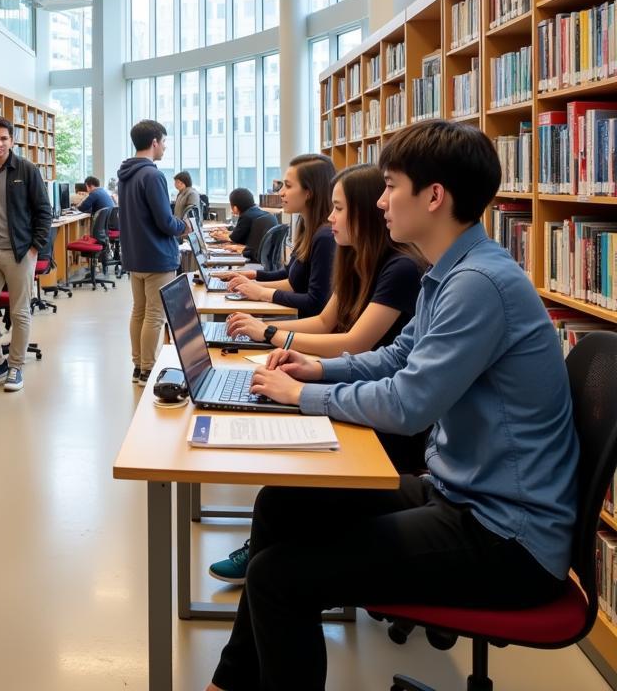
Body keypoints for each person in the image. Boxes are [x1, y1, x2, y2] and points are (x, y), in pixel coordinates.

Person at [205, 120, 578, 691]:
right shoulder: (449, 273)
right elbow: (395, 357)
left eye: (390, 186)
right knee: (283, 504)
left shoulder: (478, 282)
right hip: (461, 495)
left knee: (281, 578)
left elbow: (407, 405)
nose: (379, 201)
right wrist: (318, 368)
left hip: (506, 537)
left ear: (434, 196)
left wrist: (304, 395)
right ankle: (230, 683)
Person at [210, 163, 425, 584]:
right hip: (358, 385)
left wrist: (272, 335)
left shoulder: (400, 268)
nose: (330, 218)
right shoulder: (356, 258)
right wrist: (270, 335)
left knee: (288, 455)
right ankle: (269, 556)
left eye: (340, 209)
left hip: (380, 411)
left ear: (362, 214)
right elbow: (327, 323)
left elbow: (358, 343)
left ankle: (271, 558)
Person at [0, 116, 52, 394]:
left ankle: (16, 366)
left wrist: (34, 246)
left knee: (19, 312)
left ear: (12, 141)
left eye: (4, 138)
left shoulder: (27, 170)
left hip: (20, 253)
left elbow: (44, 210)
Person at [217, 154, 336, 317]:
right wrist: (252, 276)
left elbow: (316, 303)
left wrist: (260, 292)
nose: (281, 193)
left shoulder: (325, 237)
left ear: (309, 192)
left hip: (306, 330)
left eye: (288, 186)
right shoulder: (306, 227)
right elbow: (289, 276)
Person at [117, 119, 189, 385]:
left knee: (139, 311)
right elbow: (165, 222)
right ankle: (148, 369)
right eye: (164, 142)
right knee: (155, 315)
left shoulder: (125, 174)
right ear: (155, 142)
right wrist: (186, 227)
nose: (165, 148)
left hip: (135, 255)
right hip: (157, 257)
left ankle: (138, 365)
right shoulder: (153, 174)